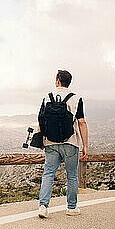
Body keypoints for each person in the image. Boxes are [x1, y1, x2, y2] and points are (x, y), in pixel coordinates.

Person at [37, 70, 88, 218]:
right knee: (72, 176)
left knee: (48, 174)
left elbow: (41, 120)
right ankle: (71, 208)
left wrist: (41, 140)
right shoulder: (76, 98)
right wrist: (85, 145)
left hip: (50, 143)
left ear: (57, 80)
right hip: (71, 143)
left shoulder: (47, 97)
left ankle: (43, 206)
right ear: (68, 82)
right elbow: (81, 122)